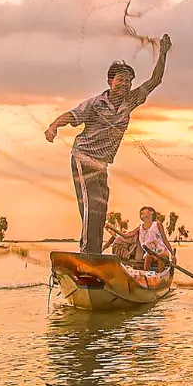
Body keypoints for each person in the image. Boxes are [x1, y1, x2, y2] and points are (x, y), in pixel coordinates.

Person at [44, 35, 172, 253]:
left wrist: (163, 53)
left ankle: (95, 253)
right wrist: (53, 126)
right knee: (90, 206)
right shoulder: (96, 104)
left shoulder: (130, 101)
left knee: (101, 208)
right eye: (120, 80)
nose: (125, 84)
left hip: (102, 164)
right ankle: (88, 252)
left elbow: (154, 81)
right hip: (83, 157)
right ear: (110, 82)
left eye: (129, 81)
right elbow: (72, 115)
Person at [106, 206, 174, 271]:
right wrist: (110, 227)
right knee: (148, 257)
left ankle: (160, 275)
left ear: (151, 212)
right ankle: (146, 276)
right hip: (150, 253)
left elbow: (165, 239)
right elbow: (125, 235)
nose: (141, 212)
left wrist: (172, 254)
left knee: (161, 257)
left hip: (162, 252)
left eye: (144, 210)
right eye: (140, 212)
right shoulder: (140, 228)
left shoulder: (157, 224)